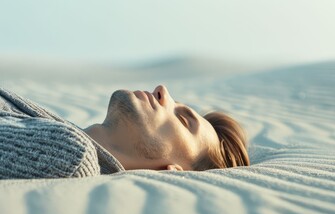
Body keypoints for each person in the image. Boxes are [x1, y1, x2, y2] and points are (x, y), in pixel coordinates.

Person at [0, 85, 249, 179]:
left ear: (172, 171)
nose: (162, 91)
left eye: (184, 120)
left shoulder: (71, 154)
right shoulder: (53, 131)